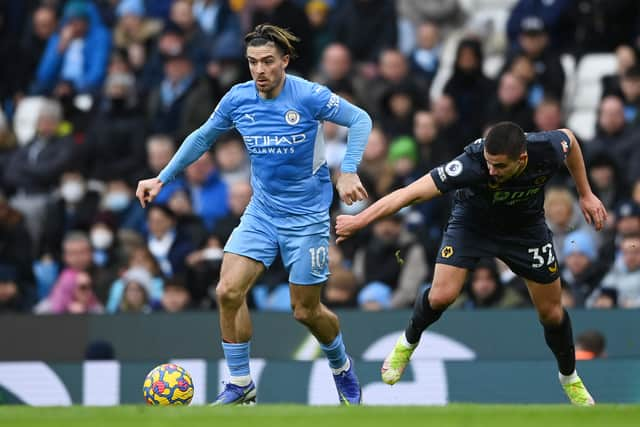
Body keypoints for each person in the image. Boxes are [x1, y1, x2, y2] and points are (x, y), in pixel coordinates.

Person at [136, 24, 371, 405]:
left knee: (305, 311)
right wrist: (162, 178)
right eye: (252, 62)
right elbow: (202, 137)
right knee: (228, 291)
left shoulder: (308, 95)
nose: (258, 70)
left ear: (284, 61)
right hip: (261, 213)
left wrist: (348, 170)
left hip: (308, 218)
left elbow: (360, 119)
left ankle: (342, 368)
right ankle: (241, 383)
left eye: (266, 61)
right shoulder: (238, 99)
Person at [336, 122, 607, 406]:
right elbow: (409, 193)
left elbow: (572, 141)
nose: (491, 171)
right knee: (442, 295)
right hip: (472, 226)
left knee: (551, 313)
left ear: (522, 159)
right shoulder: (470, 164)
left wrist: (585, 193)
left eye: (500, 166)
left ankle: (569, 377)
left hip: (525, 229)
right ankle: (407, 342)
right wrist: (359, 220)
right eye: (489, 163)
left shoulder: (547, 148)